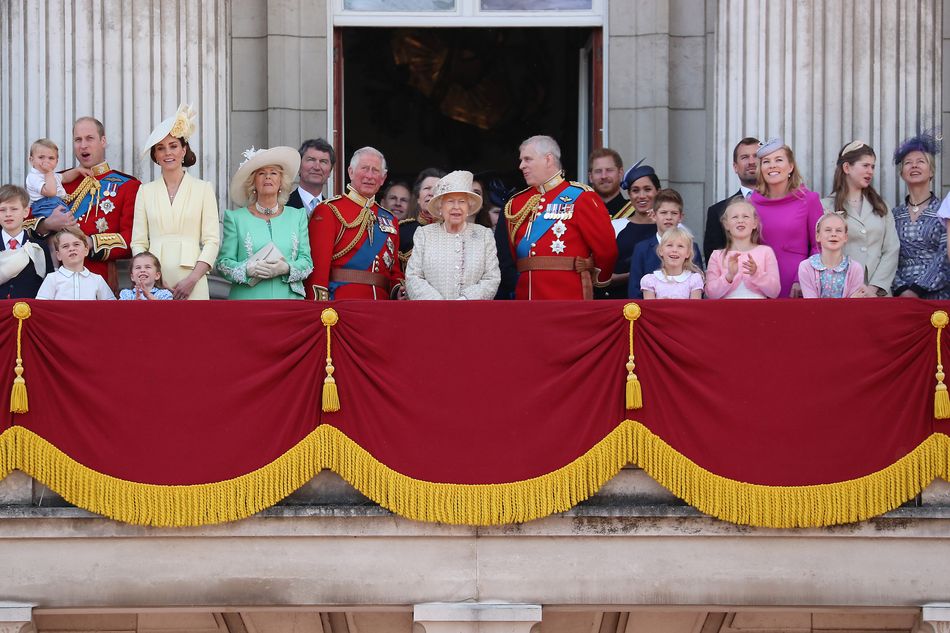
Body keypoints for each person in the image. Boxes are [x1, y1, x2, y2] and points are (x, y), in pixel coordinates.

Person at [504, 135, 616, 300]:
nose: (521, 166)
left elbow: (606, 250)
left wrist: (599, 279)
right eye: (521, 160)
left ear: (548, 159)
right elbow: (513, 256)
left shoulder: (581, 197)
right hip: (525, 297)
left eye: (528, 159)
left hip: (568, 296)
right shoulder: (516, 203)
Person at [38, 117, 140, 290]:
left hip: (99, 280)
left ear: (103, 141)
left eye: (89, 138)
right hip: (54, 281)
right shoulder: (54, 182)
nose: (83, 145)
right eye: (78, 140)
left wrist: (90, 242)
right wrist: (47, 224)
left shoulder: (128, 186)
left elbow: (132, 241)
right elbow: (23, 225)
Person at [131, 104, 220, 300]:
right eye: (161, 148)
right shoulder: (145, 191)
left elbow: (212, 241)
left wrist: (193, 279)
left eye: (173, 146)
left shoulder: (203, 188)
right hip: (153, 281)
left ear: (183, 150)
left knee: (194, 330)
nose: (167, 153)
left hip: (193, 279)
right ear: (155, 155)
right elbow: (138, 242)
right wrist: (149, 277)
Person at [306, 146, 403, 300]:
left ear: (383, 178)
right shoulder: (329, 210)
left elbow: (394, 272)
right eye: (364, 168)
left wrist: (398, 290)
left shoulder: (390, 220)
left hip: (382, 307)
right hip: (342, 305)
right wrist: (319, 310)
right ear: (351, 172)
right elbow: (318, 270)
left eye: (375, 171)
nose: (369, 176)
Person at [216, 146, 313, 299]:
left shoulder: (297, 216)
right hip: (248, 303)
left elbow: (307, 263)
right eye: (261, 173)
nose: (268, 177)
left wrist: (286, 268)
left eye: (273, 173)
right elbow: (223, 264)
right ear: (253, 183)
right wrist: (247, 269)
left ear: (281, 182)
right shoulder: (235, 218)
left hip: (289, 302)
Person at [405, 170, 500, 300]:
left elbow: (492, 278)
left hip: (472, 313)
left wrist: (465, 300)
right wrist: (438, 304)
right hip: (432, 313)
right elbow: (413, 276)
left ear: (469, 207)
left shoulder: (484, 235)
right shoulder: (424, 234)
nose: (456, 207)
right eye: (450, 201)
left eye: (462, 201)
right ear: (440, 207)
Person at [820, 141, 898, 296]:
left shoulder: (881, 207)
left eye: (873, 167)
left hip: (878, 295)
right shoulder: (825, 207)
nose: (870, 171)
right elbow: (820, 251)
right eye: (865, 165)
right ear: (847, 167)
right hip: (841, 293)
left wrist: (874, 288)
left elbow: (891, 249)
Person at [749, 137, 823, 298]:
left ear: (790, 167)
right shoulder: (751, 203)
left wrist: (802, 279)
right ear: (761, 168)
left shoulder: (809, 200)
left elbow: (819, 246)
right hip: (759, 283)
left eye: (779, 160)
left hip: (796, 285)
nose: (772, 165)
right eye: (766, 161)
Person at [891, 131, 950, 299]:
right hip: (900, 297)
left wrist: (917, 289)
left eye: (920, 162)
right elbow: (887, 255)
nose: (914, 166)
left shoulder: (944, 210)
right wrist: (901, 289)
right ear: (902, 173)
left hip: (938, 294)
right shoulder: (893, 215)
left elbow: (945, 255)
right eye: (908, 163)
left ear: (931, 171)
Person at [626, 189, 704, 300]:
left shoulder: (691, 246)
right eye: (663, 212)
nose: (669, 217)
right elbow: (634, 291)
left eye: (674, 213)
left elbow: (698, 288)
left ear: (681, 217)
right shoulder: (641, 249)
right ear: (653, 215)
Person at [705, 198, 780, 299]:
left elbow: (774, 292)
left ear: (754, 223)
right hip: (726, 312)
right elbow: (711, 294)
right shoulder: (717, 255)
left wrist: (756, 274)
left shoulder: (766, 252)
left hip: (758, 311)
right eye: (735, 217)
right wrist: (729, 276)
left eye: (745, 216)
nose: (740, 220)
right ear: (726, 224)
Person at [703, 136, 760, 261]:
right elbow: (713, 261)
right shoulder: (717, 211)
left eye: (756, 156)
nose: (751, 161)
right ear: (735, 167)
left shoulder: (783, 204)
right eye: (744, 157)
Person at [613, 160, 661, 293]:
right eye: (635, 190)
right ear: (629, 194)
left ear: (658, 191)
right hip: (618, 301)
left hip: (660, 302)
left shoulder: (673, 228)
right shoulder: (615, 227)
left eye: (647, 189)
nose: (641, 196)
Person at [798, 213, 869, 298]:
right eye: (828, 230)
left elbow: (853, 306)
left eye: (838, 230)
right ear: (818, 236)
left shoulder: (855, 268)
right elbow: (811, 304)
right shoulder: (806, 267)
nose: (833, 234)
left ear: (845, 237)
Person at [0, 184, 53, 299]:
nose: (8, 214)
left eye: (14, 209)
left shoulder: (39, 247)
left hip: (30, 313)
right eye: (2, 209)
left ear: (26, 212)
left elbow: (48, 286)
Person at [36, 226, 115, 300]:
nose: (71, 249)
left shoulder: (97, 280)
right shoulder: (52, 279)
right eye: (65, 246)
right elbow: (42, 307)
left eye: (76, 244)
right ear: (58, 255)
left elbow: (111, 307)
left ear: (86, 250)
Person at [24, 138, 88, 218]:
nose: (46, 161)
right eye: (41, 157)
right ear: (31, 160)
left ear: (56, 162)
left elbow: (65, 177)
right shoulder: (33, 177)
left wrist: (77, 170)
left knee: (70, 222)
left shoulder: (52, 174)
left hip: (57, 204)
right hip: (44, 206)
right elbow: (51, 193)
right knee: (68, 223)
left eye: (51, 158)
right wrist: (48, 172)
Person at [640, 227, 704, 300]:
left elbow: (694, 309)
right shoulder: (650, 280)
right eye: (669, 245)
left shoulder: (694, 280)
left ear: (688, 253)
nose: (674, 250)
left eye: (680, 246)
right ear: (661, 251)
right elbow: (650, 309)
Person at [398, 168, 445, 268]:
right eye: (427, 188)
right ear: (418, 198)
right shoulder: (402, 231)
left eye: (437, 188)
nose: (431, 193)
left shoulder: (455, 231)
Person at [286, 138, 335, 218]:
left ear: (330, 171)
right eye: (311, 160)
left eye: (323, 161)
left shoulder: (334, 211)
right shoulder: (282, 207)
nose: (317, 167)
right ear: (299, 166)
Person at [588, 147, 626, 217]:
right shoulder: (581, 213)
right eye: (598, 171)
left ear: (620, 173)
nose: (604, 176)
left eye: (609, 170)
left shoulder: (636, 212)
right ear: (590, 177)